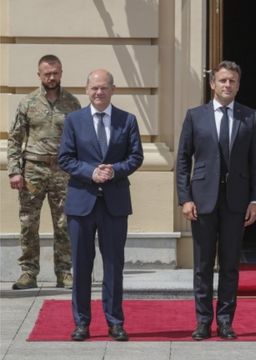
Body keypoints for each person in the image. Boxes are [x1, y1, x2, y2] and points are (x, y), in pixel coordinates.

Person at [176, 60, 256, 341]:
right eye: (223, 80)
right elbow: (181, 161)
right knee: (202, 265)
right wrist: (185, 198)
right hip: (202, 201)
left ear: (238, 85)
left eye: (233, 81)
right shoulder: (195, 116)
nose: (228, 85)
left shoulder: (249, 116)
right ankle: (203, 321)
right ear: (212, 83)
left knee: (230, 265)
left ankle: (225, 320)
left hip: (236, 202)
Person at [58, 69, 144, 341]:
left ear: (113, 90)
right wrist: (90, 172)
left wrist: (114, 170)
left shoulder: (127, 120)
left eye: (104, 88)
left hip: (114, 204)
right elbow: (65, 158)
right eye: (94, 88)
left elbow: (136, 156)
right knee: (82, 266)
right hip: (81, 202)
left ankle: (115, 322)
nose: (99, 93)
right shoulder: (74, 120)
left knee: (114, 266)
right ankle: (81, 323)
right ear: (86, 90)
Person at [7, 54, 81, 290]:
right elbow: (14, 139)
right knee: (29, 223)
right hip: (33, 171)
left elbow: (80, 139)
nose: (52, 77)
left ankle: (64, 272)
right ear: (39, 74)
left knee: (64, 223)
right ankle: (28, 272)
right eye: (47, 73)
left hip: (63, 171)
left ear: (61, 73)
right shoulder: (27, 103)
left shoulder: (72, 103)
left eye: (56, 72)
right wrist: (14, 171)